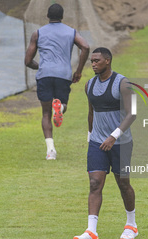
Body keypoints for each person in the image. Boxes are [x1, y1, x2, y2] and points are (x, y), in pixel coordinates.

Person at [73, 48, 137, 239]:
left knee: (123, 184)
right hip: (97, 143)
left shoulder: (123, 84)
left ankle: (131, 225)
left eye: (96, 60)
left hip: (121, 143)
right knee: (94, 183)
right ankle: (91, 232)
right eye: (91, 61)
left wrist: (113, 136)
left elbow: (132, 114)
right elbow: (91, 112)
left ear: (107, 61)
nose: (92, 64)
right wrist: (90, 136)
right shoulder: (89, 85)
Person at [25, 3, 89, 160]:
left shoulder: (38, 33)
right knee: (62, 105)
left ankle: (51, 151)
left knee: (46, 112)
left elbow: (27, 61)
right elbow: (86, 47)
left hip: (45, 74)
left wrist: (40, 67)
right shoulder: (71, 32)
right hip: (63, 74)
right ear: (62, 17)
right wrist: (79, 71)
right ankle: (60, 107)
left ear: (47, 16)